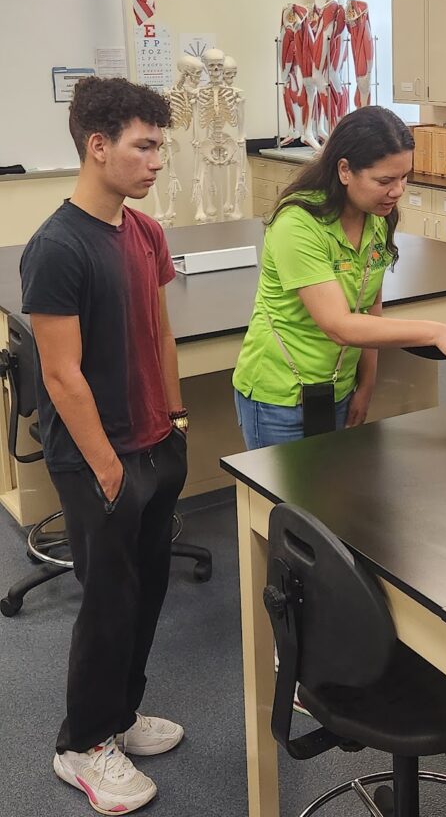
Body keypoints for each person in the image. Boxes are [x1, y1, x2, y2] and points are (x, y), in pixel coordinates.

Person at [20, 77, 189, 815]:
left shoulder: (144, 232)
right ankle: (82, 745)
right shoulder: (56, 247)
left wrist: (176, 420)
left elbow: (160, 332)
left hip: (155, 445)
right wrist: (111, 469)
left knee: (147, 594)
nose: (157, 162)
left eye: (160, 146)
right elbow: (61, 374)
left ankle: (120, 716)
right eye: (144, 146)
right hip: (99, 459)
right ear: (98, 146)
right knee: (109, 604)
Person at [233, 106, 446, 449]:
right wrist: (436, 332)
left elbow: (369, 302)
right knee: (281, 502)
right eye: (385, 181)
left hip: (338, 388)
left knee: (329, 500)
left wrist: (366, 384)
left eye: (404, 177)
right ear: (345, 170)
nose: (398, 191)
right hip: (280, 396)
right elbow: (339, 325)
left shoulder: (376, 217)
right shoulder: (297, 223)